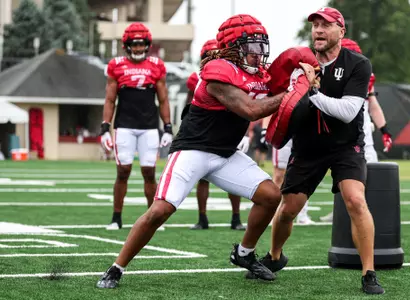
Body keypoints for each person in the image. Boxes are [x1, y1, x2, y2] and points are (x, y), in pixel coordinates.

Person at [96, 14, 292, 289]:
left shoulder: (257, 75)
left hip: (225, 154)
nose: (258, 53)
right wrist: (291, 92)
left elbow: (277, 83)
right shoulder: (217, 71)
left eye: (261, 46)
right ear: (233, 47)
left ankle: (244, 253)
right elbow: (252, 110)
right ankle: (117, 267)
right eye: (252, 46)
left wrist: (300, 75)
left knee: (271, 196)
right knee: (160, 210)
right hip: (193, 151)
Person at [252, 7, 385, 295]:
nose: (319, 31)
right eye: (315, 26)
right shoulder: (298, 62)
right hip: (308, 146)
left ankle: (369, 273)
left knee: (355, 201)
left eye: (326, 25)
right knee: (288, 210)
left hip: (345, 145)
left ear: (341, 31)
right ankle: (275, 256)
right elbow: (273, 94)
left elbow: (349, 112)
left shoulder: (358, 63)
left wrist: (312, 92)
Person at [99, 22, 173, 230]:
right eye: (135, 44)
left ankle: (153, 217)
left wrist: (167, 126)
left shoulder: (157, 66)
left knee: (149, 172)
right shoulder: (116, 65)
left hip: (149, 127)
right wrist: (105, 126)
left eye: (142, 44)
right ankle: (116, 217)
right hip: (125, 126)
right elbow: (110, 99)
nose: (139, 48)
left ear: (147, 45)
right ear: (127, 45)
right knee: (123, 171)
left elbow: (164, 99)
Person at [319, 38, 393, 222]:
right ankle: (340, 210)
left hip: (361, 135)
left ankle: (369, 211)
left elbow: (373, 104)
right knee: (340, 174)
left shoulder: (362, 73)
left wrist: (384, 130)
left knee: (369, 171)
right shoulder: (325, 70)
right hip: (332, 133)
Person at [185, 39, 246, 231]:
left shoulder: (233, 75)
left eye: (216, 55)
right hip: (203, 133)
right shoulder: (196, 78)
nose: (213, 59)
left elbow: (243, 104)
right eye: (208, 56)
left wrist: (244, 132)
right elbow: (191, 105)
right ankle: (202, 217)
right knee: (202, 178)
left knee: (235, 176)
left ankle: (236, 217)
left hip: (226, 131)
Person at [261, 118, 313, 224]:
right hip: (283, 129)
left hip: (305, 130)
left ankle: (302, 214)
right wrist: (264, 130)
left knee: (305, 172)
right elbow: (270, 107)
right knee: (279, 174)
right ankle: (272, 213)